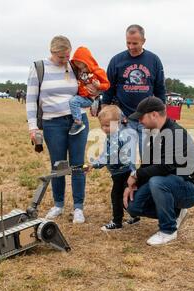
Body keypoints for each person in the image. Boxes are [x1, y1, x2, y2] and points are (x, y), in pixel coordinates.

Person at [26, 35, 98, 223]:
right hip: (52, 123)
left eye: (67, 56)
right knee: (58, 165)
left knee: (77, 165)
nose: (65, 60)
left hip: (78, 121)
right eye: (61, 57)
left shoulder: (74, 66)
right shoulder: (38, 67)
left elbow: (88, 88)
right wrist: (33, 127)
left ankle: (78, 208)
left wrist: (94, 91)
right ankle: (58, 204)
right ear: (52, 52)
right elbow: (31, 99)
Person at [124, 97, 194, 246]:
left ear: (154, 114)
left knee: (157, 182)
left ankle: (168, 230)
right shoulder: (153, 134)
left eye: (142, 117)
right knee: (132, 205)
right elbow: (147, 165)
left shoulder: (176, 132)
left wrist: (135, 174)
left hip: (191, 187)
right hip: (168, 183)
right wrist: (133, 185)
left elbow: (166, 166)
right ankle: (176, 212)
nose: (140, 121)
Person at [102, 24, 166, 155]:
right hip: (124, 117)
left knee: (149, 156)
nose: (131, 47)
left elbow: (160, 89)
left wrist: (161, 115)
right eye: (128, 43)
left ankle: (145, 176)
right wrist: (104, 112)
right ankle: (128, 176)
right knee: (123, 158)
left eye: (135, 43)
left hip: (147, 117)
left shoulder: (154, 60)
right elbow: (108, 88)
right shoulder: (116, 61)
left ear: (143, 41)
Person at [88, 105, 140, 231]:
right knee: (125, 196)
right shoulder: (113, 135)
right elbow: (105, 153)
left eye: (107, 125)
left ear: (117, 122)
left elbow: (109, 156)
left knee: (116, 196)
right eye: (102, 125)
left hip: (122, 172)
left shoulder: (117, 137)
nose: (104, 128)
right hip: (121, 171)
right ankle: (134, 215)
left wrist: (95, 164)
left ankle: (117, 222)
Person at [68, 47, 110, 135]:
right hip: (81, 96)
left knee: (73, 101)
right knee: (74, 100)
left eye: (80, 63)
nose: (78, 65)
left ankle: (78, 123)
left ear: (86, 61)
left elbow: (107, 85)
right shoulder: (79, 71)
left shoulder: (98, 71)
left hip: (88, 99)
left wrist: (99, 86)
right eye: (76, 63)